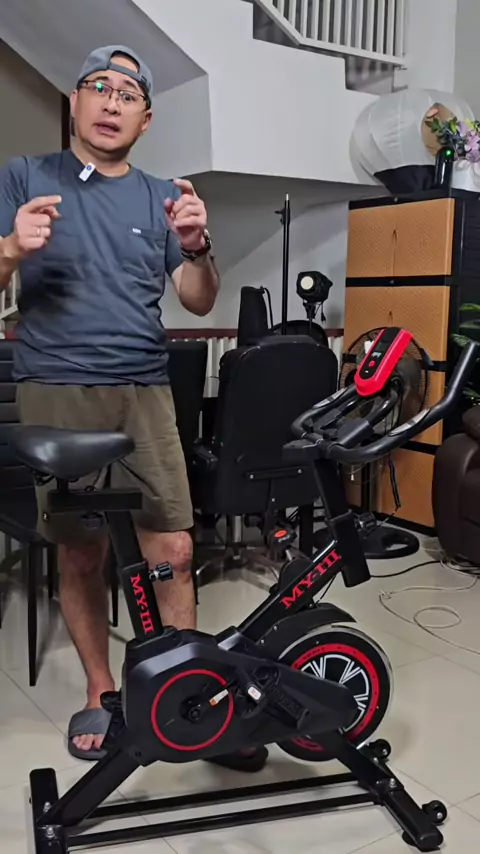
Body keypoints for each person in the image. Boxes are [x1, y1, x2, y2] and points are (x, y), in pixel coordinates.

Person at [0, 45, 268, 773]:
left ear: (145, 120)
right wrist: (12, 248)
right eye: (100, 86)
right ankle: (103, 690)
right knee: (81, 550)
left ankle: (189, 697)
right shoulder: (25, 176)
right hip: (57, 385)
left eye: (128, 94)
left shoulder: (161, 195)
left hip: (144, 390)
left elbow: (198, 299)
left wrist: (198, 247)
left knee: (172, 548)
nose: (112, 101)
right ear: (76, 101)